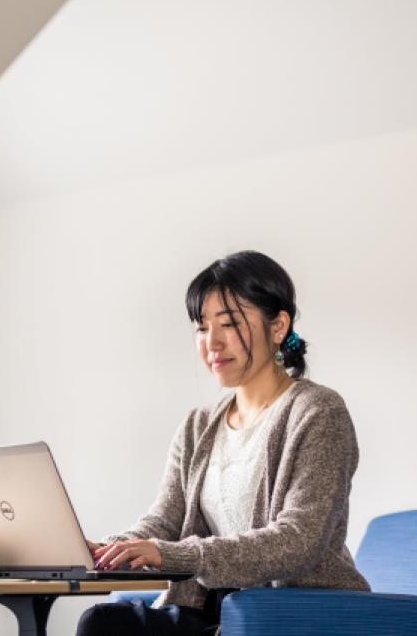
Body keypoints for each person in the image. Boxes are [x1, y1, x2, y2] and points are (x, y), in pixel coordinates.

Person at [76, 250, 370, 636]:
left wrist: (176, 554)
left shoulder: (317, 411)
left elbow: (299, 541)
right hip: (214, 608)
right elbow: (164, 520)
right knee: (102, 623)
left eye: (229, 323)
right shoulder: (198, 425)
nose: (211, 343)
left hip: (293, 610)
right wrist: (107, 550)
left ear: (278, 326)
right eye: (201, 327)